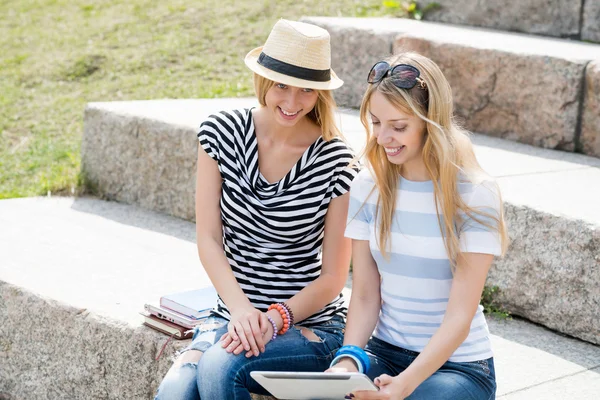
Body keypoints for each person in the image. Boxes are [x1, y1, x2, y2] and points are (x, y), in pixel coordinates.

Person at [154, 19, 359, 400]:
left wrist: (273, 317)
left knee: (221, 366)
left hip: (307, 325)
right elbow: (209, 239)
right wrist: (242, 311)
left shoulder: (337, 162)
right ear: (263, 79)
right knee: (173, 393)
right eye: (282, 85)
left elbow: (333, 276)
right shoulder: (221, 134)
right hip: (229, 315)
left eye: (306, 90)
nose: (292, 102)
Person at [328, 52, 509, 400]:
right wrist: (347, 362)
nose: (382, 137)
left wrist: (405, 385)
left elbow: (460, 315)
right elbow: (365, 295)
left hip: (459, 367)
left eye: (399, 127)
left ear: (431, 121)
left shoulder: (474, 193)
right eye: (376, 122)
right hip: (384, 353)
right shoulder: (368, 186)